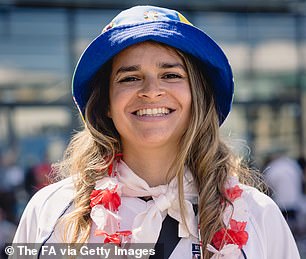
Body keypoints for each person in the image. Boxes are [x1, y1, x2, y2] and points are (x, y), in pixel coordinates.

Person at [11, 5, 300, 259]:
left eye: (171, 75)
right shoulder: (52, 210)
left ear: (197, 96)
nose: (151, 91)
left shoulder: (256, 214)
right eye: (130, 78)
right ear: (106, 103)